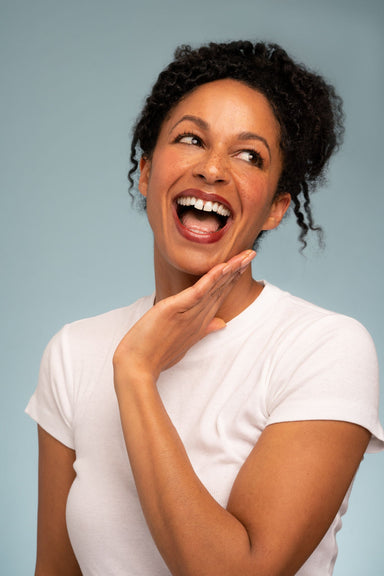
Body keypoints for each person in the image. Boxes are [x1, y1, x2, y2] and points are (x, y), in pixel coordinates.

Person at [26, 41, 384, 576]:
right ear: (146, 173)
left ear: (276, 209)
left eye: (248, 155)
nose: (213, 169)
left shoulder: (323, 348)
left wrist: (137, 372)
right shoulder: (74, 353)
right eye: (191, 139)